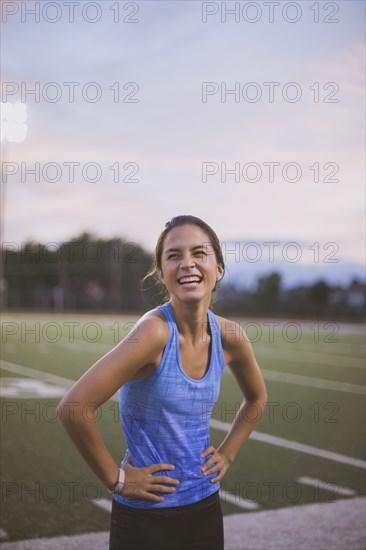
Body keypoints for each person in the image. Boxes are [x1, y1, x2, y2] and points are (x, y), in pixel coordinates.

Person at [57, 215, 267, 550]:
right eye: (174, 256)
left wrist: (227, 455)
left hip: (205, 505)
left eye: (199, 253)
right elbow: (74, 407)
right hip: (147, 517)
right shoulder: (153, 333)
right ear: (160, 273)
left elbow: (256, 399)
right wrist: (118, 478)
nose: (188, 264)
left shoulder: (231, 336)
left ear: (219, 268)